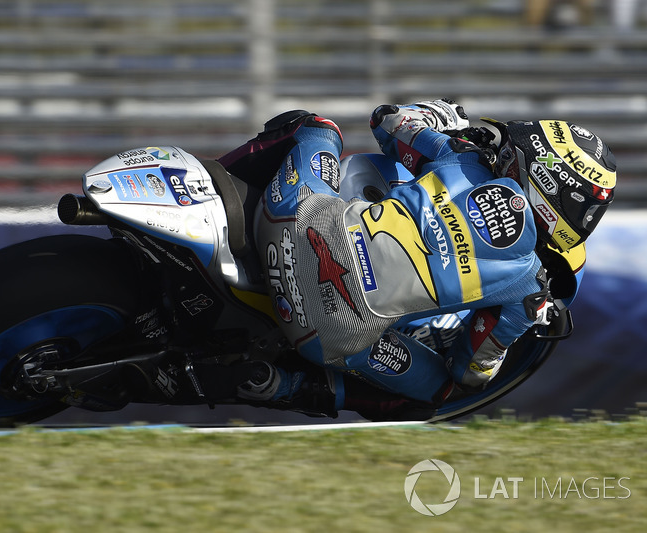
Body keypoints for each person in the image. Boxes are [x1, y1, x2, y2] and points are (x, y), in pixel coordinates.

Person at [208, 99, 616, 419]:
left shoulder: (463, 157)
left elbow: (387, 121)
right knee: (438, 392)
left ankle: (207, 191)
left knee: (314, 127)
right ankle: (280, 385)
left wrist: (436, 115)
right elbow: (472, 372)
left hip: (287, 226)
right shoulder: (529, 287)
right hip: (325, 334)